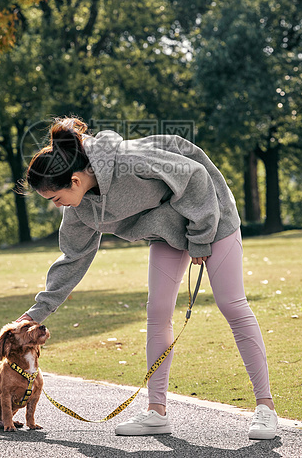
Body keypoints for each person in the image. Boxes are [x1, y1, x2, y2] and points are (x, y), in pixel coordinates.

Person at [17, 116, 278, 439]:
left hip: (212, 217)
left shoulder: (129, 161)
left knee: (232, 305)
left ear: (73, 180)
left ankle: (265, 407)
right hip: (167, 231)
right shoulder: (80, 209)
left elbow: (195, 176)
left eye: (55, 198)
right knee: (157, 312)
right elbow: (73, 258)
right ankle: (157, 412)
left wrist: (200, 236)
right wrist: (33, 315)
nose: (58, 206)